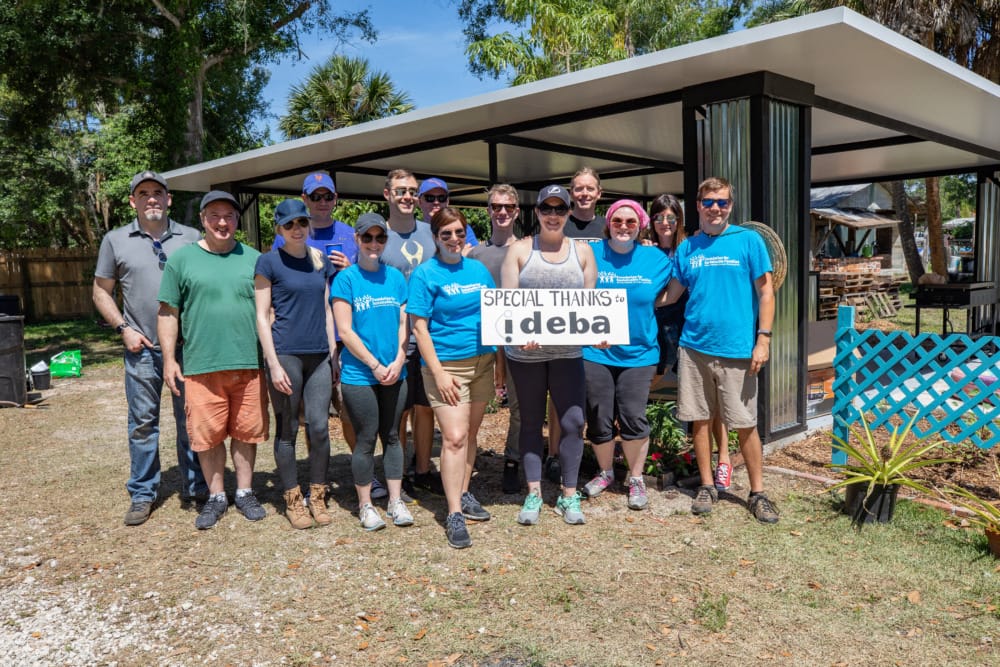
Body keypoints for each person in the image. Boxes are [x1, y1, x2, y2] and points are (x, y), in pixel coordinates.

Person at [662, 176, 779, 523]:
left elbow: (766, 292)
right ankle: (708, 485)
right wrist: (633, 305)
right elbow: (672, 293)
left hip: (738, 350)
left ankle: (757, 493)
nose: (715, 208)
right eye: (709, 202)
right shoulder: (688, 248)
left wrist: (764, 339)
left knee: (744, 423)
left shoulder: (749, 241)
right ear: (697, 206)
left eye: (722, 202)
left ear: (730, 206)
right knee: (699, 421)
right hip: (694, 347)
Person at [93, 170, 207, 526]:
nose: (152, 198)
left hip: (187, 347)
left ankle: (196, 486)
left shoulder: (191, 238)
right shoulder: (116, 240)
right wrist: (123, 328)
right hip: (141, 346)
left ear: (169, 199)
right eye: (143, 193)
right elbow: (100, 291)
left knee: (190, 420)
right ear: (133, 201)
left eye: (158, 192)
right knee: (143, 423)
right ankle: (143, 492)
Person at [158, 190, 269, 530]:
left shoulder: (255, 259)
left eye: (230, 216)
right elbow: (167, 312)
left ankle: (246, 492)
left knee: (247, 432)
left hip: (249, 363)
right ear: (203, 220)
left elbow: (269, 311)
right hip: (201, 364)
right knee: (208, 436)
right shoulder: (181, 260)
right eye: (215, 216)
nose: (223, 222)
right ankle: (217, 495)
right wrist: (168, 358)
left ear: (237, 220)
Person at [501, 185, 597, 526]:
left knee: (572, 422)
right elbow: (507, 304)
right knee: (530, 422)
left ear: (569, 212)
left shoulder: (583, 252)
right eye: (547, 209)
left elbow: (591, 305)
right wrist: (517, 333)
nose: (553, 215)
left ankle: (569, 495)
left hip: (568, 353)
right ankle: (533, 493)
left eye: (560, 209)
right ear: (537, 212)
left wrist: (598, 333)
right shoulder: (519, 250)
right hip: (525, 356)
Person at [409, 207, 496, 548]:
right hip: (446, 366)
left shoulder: (478, 269)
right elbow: (419, 327)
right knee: (454, 437)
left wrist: (499, 358)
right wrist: (439, 373)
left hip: (482, 362)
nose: (454, 239)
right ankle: (454, 512)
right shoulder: (425, 274)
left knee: (471, 434)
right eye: (446, 234)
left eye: (459, 232)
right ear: (435, 237)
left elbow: (495, 313)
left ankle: (463, 490)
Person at [581, 200, 671, 510]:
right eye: (617, 221)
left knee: (633, 416)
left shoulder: (655, 259)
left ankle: (635, 478)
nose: (623, 226)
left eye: (630, 222)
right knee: (598, 414)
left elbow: (677, 289)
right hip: (595, 351)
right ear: (608, 223)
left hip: (639, 353)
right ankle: (605, 472)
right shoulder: (590, 254)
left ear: (641, 226)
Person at [273, 172, 360, 490]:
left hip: (346, 338)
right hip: (302, 340)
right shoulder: (288, 236)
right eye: (316, 196)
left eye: (329, 196)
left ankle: (360, 470)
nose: (323, 202)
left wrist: (351, 268)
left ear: (336, 200)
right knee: (307, 417)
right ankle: (313, 477)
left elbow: (368, 277)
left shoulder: (352, 234)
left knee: (349, 410)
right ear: (305, 199)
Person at [254, 199, 337, 529]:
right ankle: (292, 498)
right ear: (279, 229)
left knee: (318, 427)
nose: (296, 229)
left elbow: (329, 310)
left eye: (301, 223)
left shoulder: (320, 262)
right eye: (289, 225)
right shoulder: (268, 262)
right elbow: (261, 316)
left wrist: (333, 355)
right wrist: (272, 363)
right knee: (287, 429)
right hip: (286, 353)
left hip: (319, 356)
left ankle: (316, 495)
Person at [331, 213, 413, 532]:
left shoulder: (395, 278)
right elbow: (345, 332)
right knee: (366, 439)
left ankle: (395, 501)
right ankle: (366, 505)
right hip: (360, 375)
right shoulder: (346, 279)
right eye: (368, 238)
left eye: (380, 238)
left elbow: (405, 322)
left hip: (395, 371)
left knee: (393, 437)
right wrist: (376, 365)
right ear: (357, 239)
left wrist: (397, 360)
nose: (374, 244)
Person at [647, 195, 732, 491]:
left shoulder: (691, 246)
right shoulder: (645, 251)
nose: (665, 224)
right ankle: (643, 453)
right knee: (650, 385)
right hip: (655, 325)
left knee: (713, 401)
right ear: (651, 221)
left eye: (671, 218)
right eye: (659, 218)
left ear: (679, 220)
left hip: (691, 325)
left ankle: (724, 460)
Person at [380, 169, 442, 498]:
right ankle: (397, 473)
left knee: (425, 406)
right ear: (387, 194)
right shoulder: (377, 235)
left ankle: (421, 470)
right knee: (398, 410)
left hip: (429, 336)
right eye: (401, 191)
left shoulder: (431, 233)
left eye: (412, 191)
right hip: (393, 339)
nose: (407, 196)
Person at [468, 184, 523, 494]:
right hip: (480, 340)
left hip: (516, 341)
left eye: (508, 207)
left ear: (516, 211)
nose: (502, 212)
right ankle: (465, 460)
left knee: (517, 407)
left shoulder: (529, 249)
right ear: (488, 210)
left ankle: (512, 462)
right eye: (496, 207)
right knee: (472, 406)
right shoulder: (475, 254)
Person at [416, 177, 479, 248]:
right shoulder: (412, 230)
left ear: (447, 201)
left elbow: (474, 253)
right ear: (420, 202)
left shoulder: (462, 228)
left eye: (441, 198)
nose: (436, 202)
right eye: (430, 198)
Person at [565, 167, 606, 240]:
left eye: (590, 188)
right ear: (571, 193)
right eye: (579, 188)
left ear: (599, 193)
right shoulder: (559, 226)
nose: (585, 193)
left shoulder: (608, 227)